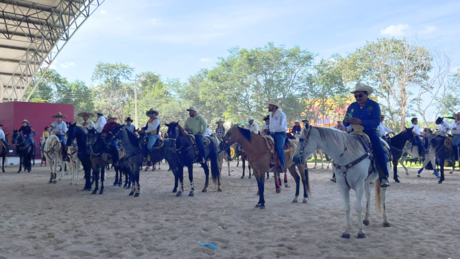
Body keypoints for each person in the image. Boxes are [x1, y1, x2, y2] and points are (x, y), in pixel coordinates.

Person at [343, 83, 390, 188]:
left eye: (360, 96)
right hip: (353, 131)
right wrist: (346, 121)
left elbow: (376, 121)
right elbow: (345, 123)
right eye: (356, 96)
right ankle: (337, 174)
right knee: (341, 147)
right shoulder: (352, 106)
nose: (358, 98)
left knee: (379, 149)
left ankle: (383, 177)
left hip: (370, 131)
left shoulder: (374, 105)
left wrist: (361, 121)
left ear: (366, 94)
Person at [268, 101, 288, 170]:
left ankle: (283, 165)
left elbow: (281, 126)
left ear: (274, 106)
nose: (269, 107)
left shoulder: (282, 114)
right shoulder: (271, 115)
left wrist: (271, 129)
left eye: (270, 106)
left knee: (279, 147)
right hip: (272, 134)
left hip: (280, 134)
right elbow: (270, 125)